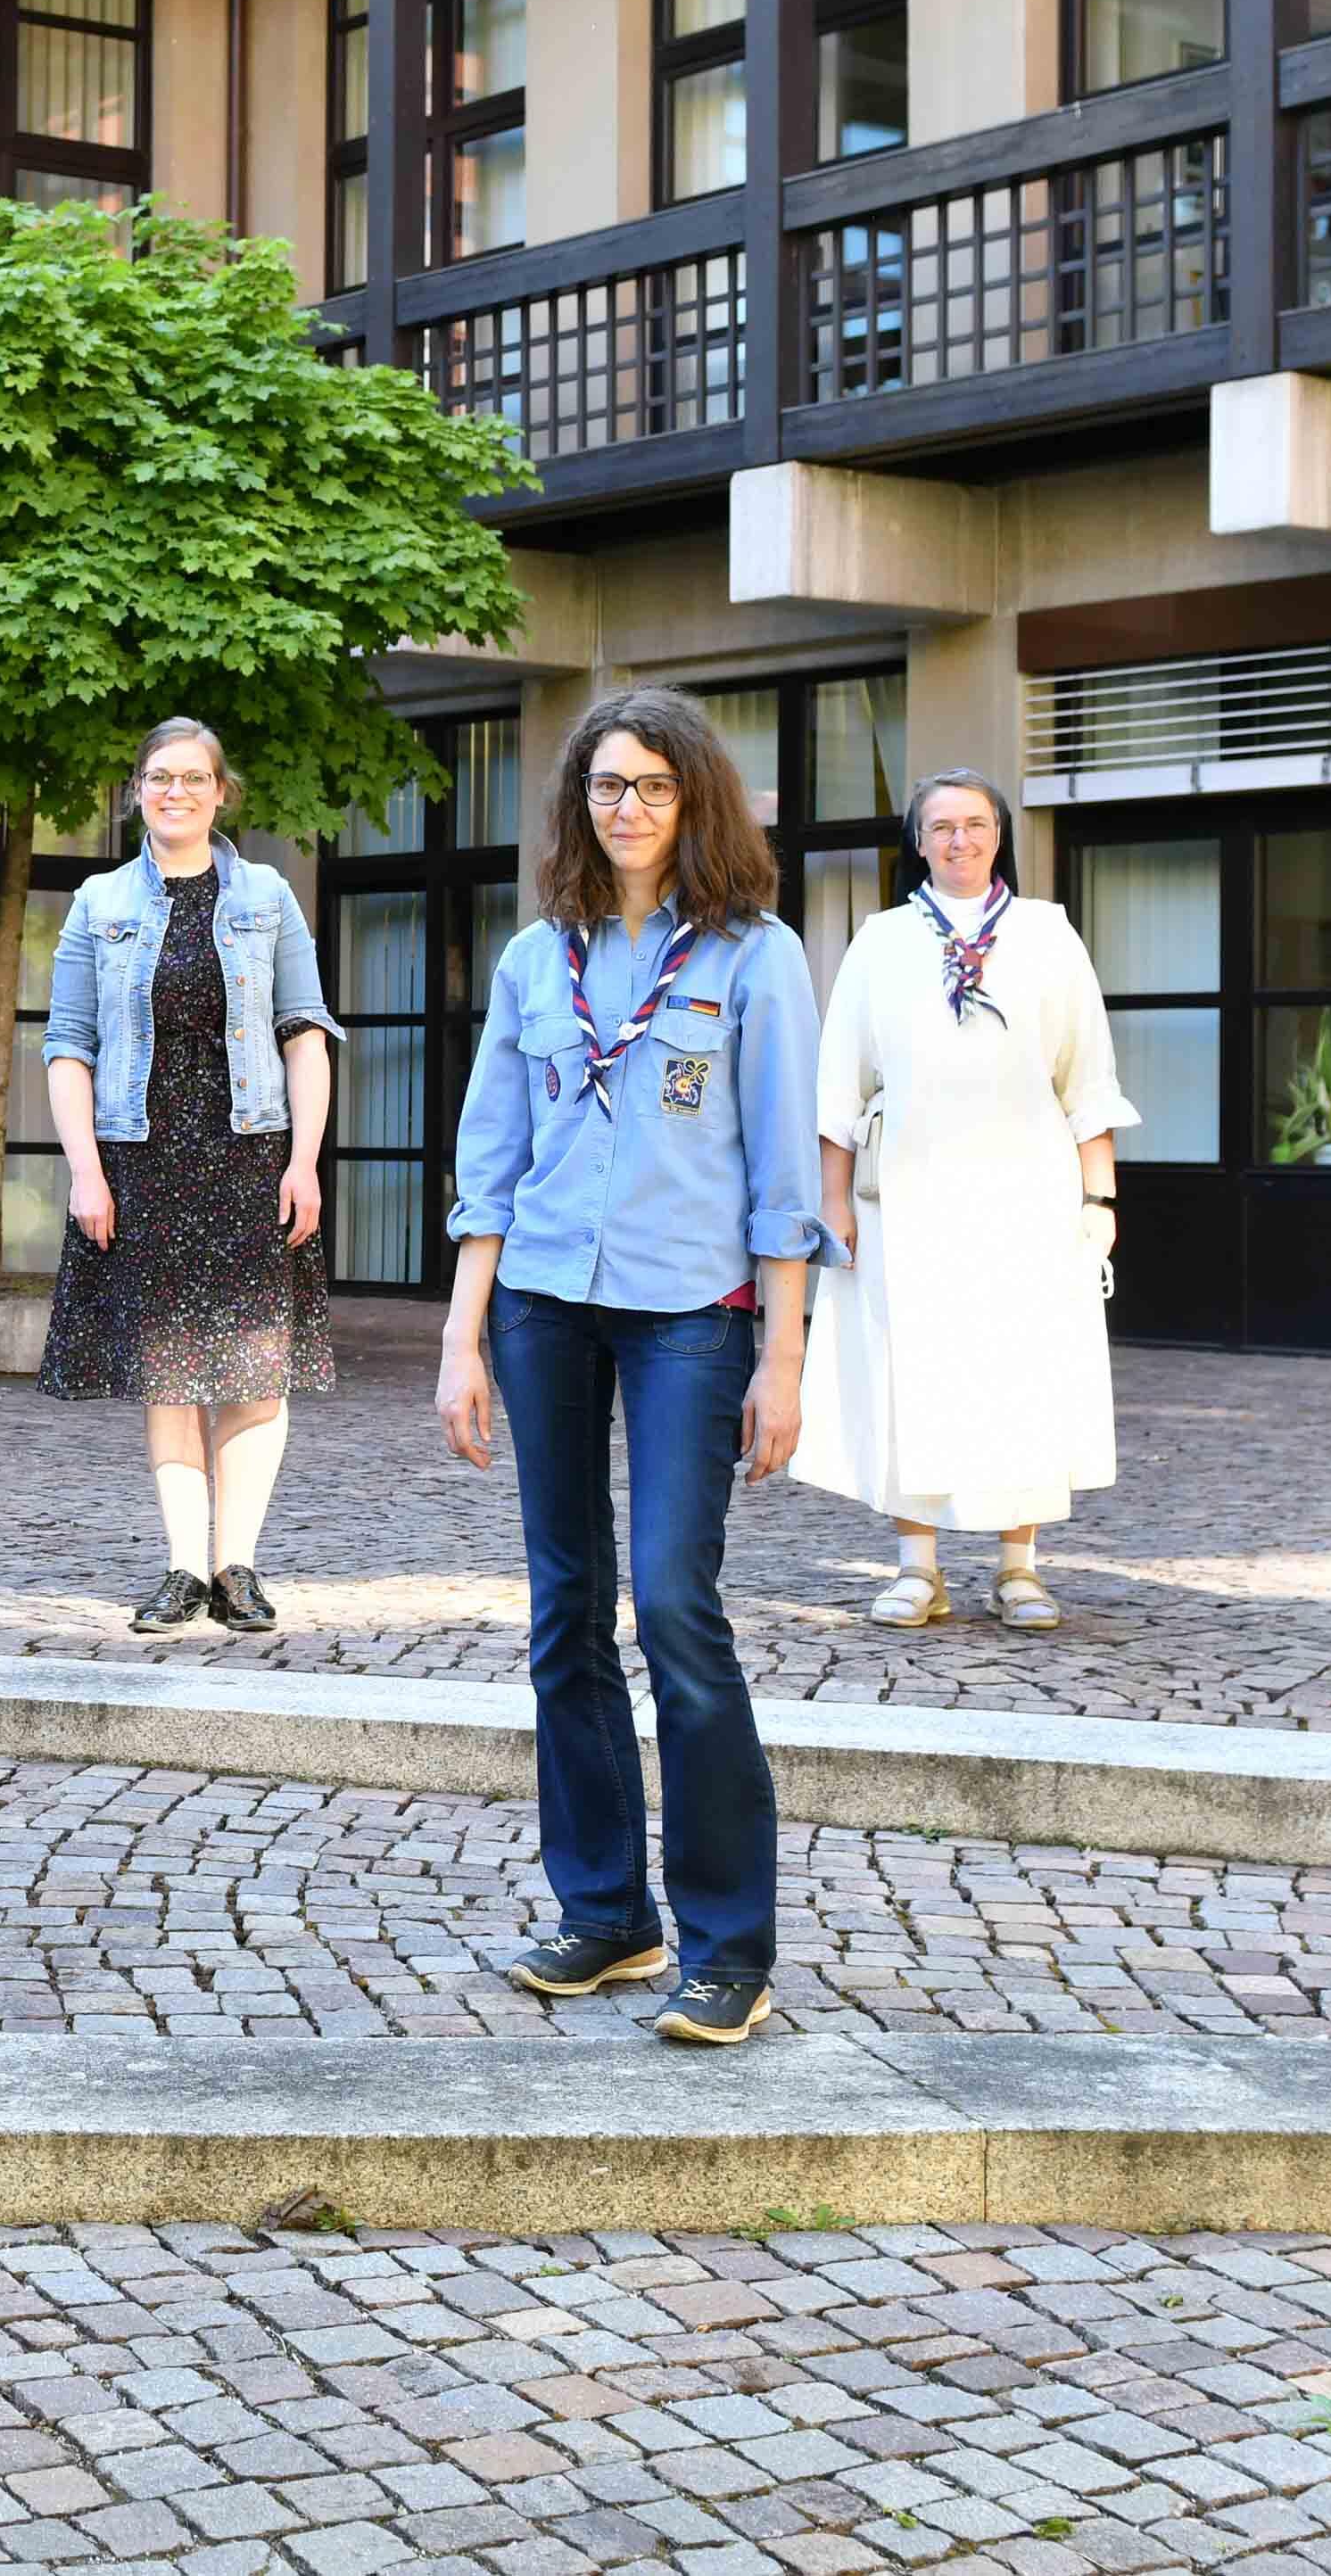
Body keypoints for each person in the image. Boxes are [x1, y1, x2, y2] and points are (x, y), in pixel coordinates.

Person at [434, 689, 831, 2046]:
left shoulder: (754, 955)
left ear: (694, 799)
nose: (626, 808)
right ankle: (605, 1912)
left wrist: (781, 1358)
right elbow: (488, 1156)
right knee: (563, 1608)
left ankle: (727, 1943)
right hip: (543, 1301)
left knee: (671, 1602)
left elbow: (786, 1175)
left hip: (691, 1314)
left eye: (653, 786)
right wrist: (457, 1337)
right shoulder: (534, 957)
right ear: (576, 802)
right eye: (606, 785)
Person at [794, 770, 1137, 1632]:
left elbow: (1087, 1079)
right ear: (918, 841)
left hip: (1029, 1195)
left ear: (997, 835)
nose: (959, 841)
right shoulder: (879, 942)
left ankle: (1019, 1567)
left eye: (975, 825)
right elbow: (841, 1081)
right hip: (907, 1198)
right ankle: (918, 1566)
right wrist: (833, 1200)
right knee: (915, 1371)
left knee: (1023, 1369)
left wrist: (1100, 1196)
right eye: (941, 827)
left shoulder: (1050, 936)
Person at [38, 716, 340, 1635]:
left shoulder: (267, 896)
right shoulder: (97, 902)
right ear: (136, 790)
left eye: (193, 778)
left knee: (254, 1369)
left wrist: (304, 1159)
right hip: (142, 1159)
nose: (175, 791)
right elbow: (67, 1047)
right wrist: (86, 1173)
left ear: (220, 791)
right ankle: (179, 1567)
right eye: (158, 777)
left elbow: (304, 1029)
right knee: (167, 1375)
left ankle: (236, 1565)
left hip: (250, 1154)